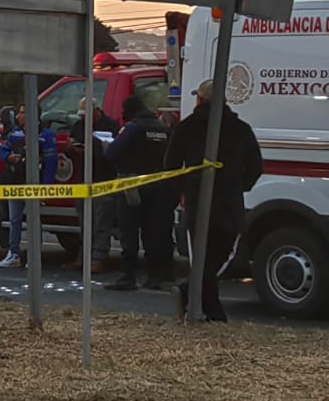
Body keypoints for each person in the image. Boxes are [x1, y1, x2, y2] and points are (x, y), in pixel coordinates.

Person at [167, 78, 264, 322]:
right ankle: (212, 310)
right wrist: (238, 187)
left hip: (197, 203)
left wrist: (186, 188)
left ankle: (190, 291)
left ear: (200, 99)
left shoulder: (186, 127)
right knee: (221, 257)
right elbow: (255, 167)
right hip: (229, 205)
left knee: (201, 258)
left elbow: (171, 166)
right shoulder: (241, 129)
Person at [105, 93, 175, 291]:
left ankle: (128, 276)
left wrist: (106, 146)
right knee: (154, 231)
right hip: (160, 185)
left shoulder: (133, 128)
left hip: (132, 186)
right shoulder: (162, 128)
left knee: (129, 231)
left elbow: (111, 153)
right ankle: (155, 275)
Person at [67, 95, 122, 272]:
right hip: (83, 181)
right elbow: (69, 151)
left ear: (96, 110)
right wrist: (72, 149)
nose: (84, 118)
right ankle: (83, 258)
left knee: (101, 223)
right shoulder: (78, 126)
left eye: (86, 114)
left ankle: (98, 258)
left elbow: (113, 154)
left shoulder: (111, 126)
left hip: (103, 179)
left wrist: (93, 148)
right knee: (85, 223)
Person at [0, 107, 56, 269]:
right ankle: (13, 253)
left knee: (34, 221)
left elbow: (51, 163)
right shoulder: (14, 134)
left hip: (34, 185)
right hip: (15, 182)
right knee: (15, 219)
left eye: (22, 112)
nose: (18, 116)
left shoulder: (46, 135)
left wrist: (46, 187)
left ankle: (34, 257)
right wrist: (8, 157)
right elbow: (2, 150)